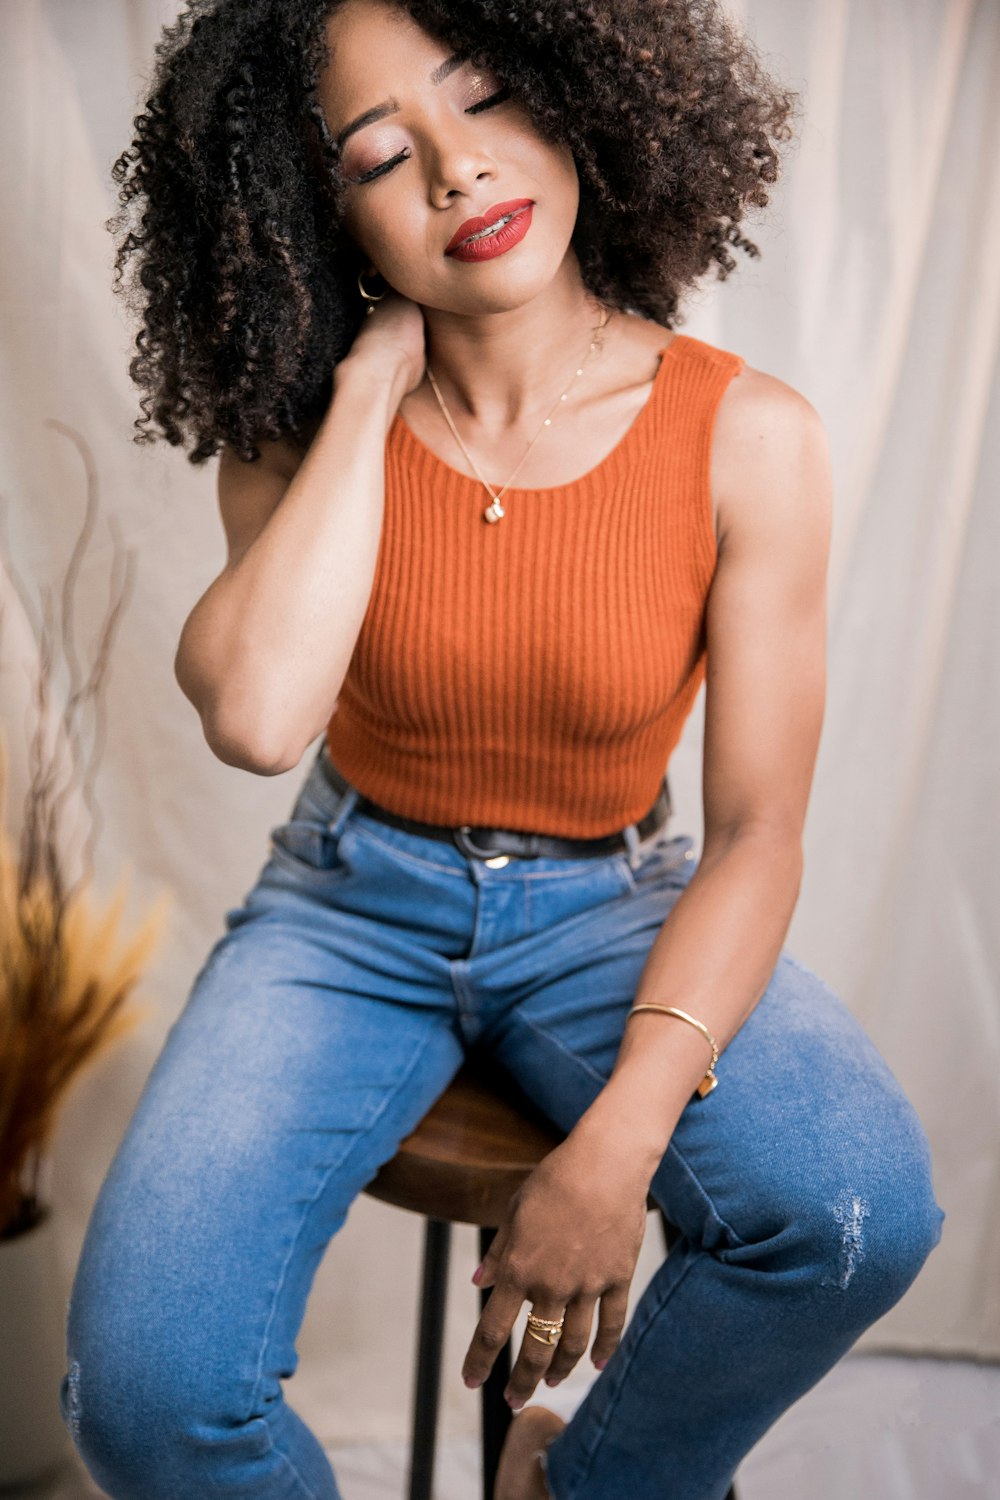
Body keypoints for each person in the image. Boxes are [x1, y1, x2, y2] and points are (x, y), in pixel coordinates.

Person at [60, 1, 946, 1497]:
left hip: (609, 905)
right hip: (348, 906)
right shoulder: (300, 435)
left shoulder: (749, 438)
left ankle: (570, 1482)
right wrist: (362, 389)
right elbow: (261, 719)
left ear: (586, 94)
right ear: (308, 208)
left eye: (488, 99)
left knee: (857, 1209)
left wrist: (615, 1150)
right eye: (381, 156)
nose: (459, 171)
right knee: (143, 1397)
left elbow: (757, 837)